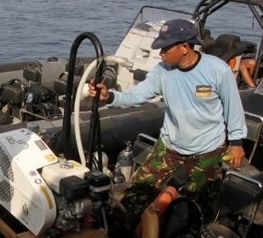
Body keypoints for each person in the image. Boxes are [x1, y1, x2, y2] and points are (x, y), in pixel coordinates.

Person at [90, 18, 247, 225]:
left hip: (207, 149)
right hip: (171, 145)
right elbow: (138, 95)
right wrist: (109, 97)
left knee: (203, 200)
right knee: (138, 190)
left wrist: (236, 143)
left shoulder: (217, 70)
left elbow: (233, 107)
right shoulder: (162, 71)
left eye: (166, 48)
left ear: (185, 47)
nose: (161, 53)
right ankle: (120, 227)